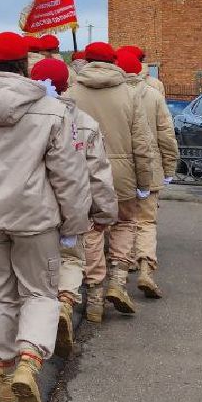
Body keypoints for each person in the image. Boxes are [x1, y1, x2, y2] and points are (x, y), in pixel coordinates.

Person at [0, 32, 90, 402]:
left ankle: (4, 376)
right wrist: (74, 223)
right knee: (39, 293)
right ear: (24, 65)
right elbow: (69, 175)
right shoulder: (52, 111)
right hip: (35, 218)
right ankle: (29, 359)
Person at [31, 57, 117, 357]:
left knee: (35, 268)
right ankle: (66, 303)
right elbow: (98, 172)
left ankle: (35, 326)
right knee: (71, 259)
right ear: (67, 85)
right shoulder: (83, 121)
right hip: (74, 205)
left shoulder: (23, 119)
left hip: (32, 207)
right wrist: (104, 212)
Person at [66, 41, 159, 320]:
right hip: (122, 173)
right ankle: (118, 280)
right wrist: (145, 181)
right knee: (125, 222)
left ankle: (94, 295)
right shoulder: (129, 94)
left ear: (86, 61)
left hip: (82, 172)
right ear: (114, 62)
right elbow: (142, 143)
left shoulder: (70, 93)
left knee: (91, 230)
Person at [116, 45, 178, 297]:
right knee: (146, 221)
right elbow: (166, 134)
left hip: (119, 168)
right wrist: (169, 166)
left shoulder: (113, 95)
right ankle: (145, 268)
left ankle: (122, 270)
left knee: (120, 222)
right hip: (150, 165)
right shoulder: (153, 94)